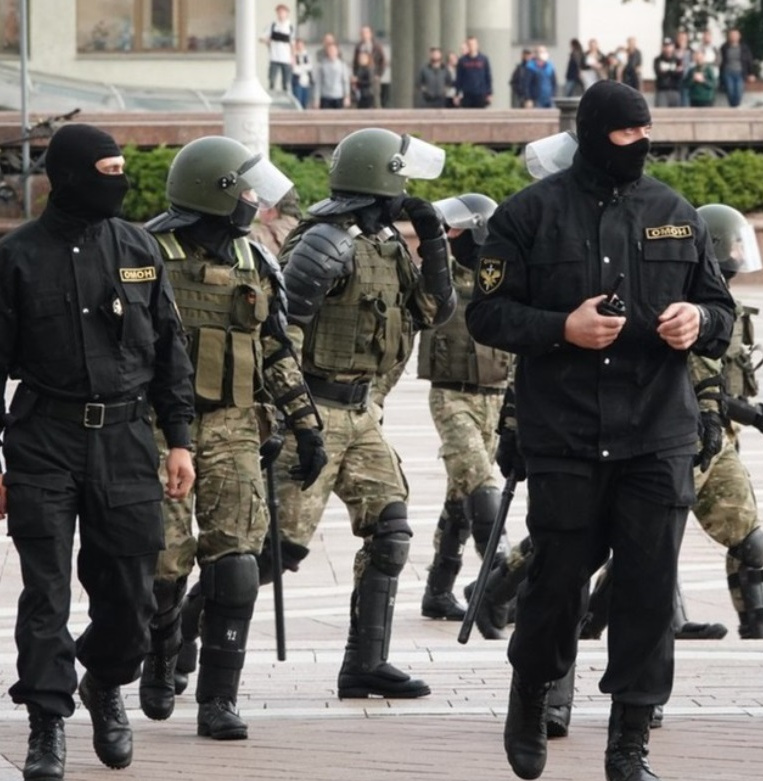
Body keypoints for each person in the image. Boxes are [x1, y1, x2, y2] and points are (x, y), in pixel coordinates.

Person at [465, 80, 735, 781]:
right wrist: (563, 328)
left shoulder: (675, 213)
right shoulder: (528, 215)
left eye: (647, 135)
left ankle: (629, 746)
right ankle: (532, 686)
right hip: (567, 433)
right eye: (625, 136)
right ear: (592, 137)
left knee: (647, 592)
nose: (639, 147)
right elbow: (486, 314)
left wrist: (697, 322)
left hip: (657, 432)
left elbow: (722, 310)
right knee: (557, 581)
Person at [0, 124, 195, 781]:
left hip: (125, 440)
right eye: (107, 170)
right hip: (44, 439)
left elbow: (169, 351)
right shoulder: (16, 256)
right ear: (70, 176)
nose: (121, 181)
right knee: (46, 592)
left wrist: (180, 440)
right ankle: (46, 722)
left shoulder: (139, 247)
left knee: (133, 591)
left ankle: (106, 679)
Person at [138, 137, 327, 739]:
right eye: (245, 190)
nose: (253, 200)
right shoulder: (146, 255)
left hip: (234, 425)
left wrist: (304, 423)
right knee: (164, 561)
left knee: (237, 562)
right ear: (215, 193)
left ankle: (219, 699)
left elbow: (275, 348)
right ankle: (161, 653)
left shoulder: (256, 260)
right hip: (157, 428)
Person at [270, 128, 456, 700]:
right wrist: (298, 422)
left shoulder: (385, 243)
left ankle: (365, 664)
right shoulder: (323, 243)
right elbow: (280, 338)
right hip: (315, 408)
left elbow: (434, 310)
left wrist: (432, 239)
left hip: (361, 410)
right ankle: (179, 641)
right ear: (381, 181)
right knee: (271, 552)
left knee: (390, 530)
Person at [415, 192, 512, 620]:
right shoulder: (438, 279)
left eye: (455, 229)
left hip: (496, 399)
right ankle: (501, 584)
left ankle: (438, 589)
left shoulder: (504, 278)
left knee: (461, 495)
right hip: (451, 396)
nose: (448, 236)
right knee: (482, 486)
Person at [690, 203, 763, 637]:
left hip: (721, 437)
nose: (743, 253)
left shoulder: (729, 303)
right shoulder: (687, 303)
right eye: (736, 244)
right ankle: (501, 592)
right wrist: (755, 414)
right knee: (643, 541)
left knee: (748, 538)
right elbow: (695, 379)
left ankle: (758, 634)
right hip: (685, 433)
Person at [260, 4, 294, 93]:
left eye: (283, 12)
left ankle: (285, 95)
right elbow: (262, 37)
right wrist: (267, 41)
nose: (281, 14)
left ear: (286, 14)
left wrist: (293, 57)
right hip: (274, 57)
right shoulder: (273, 25)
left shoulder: (290, 27)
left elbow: (292, 43)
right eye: (279, 12)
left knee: (285, 82)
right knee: (272, 80)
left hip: (286, 58)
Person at [718, 28, 754, 107]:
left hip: (740, 73)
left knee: (739, 92)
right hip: (728, 73)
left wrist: (751, 73)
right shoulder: (724, 47)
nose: (733, 36)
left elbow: (749, 60)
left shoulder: (744, 48)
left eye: (735, 35)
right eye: (732, 35)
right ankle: (734, 107)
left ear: (739, 36)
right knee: (730, 91)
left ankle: (734, 107)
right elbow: (720, 60)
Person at [353, 25, 386, 108]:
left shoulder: (376, 46)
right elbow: (355, 62)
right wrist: (356, 75)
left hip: (373, 77)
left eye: (366, 32)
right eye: (362, 33)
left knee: (375, 100)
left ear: (370, 34)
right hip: (361, 78)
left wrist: (378, 74)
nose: (364, 35)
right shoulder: (358, 47)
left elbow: (382, 61)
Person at [456, 36, 492, 108]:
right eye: (469, 44)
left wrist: (489, 93)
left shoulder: (484, 59)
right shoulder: (462, 60)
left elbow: (488, 76)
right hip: (467, 94)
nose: (471, 46)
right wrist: (457, 94)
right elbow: (459, 78)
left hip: (480, 93)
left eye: (473, 44)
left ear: (477, 45)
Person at [314, 42, 351, 109]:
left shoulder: (342, 65)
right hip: (325, 96)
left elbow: (345, 81)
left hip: (339, 96)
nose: (332, 52)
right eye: (330, 50)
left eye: (333, 50)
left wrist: (347, 96)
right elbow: (318, 83)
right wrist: (317, 99)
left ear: (337, 51)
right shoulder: (322, 65)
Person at [653, 39, 684, 107]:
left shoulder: (677, 60)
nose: (668, 48)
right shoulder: (658, 60)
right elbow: (659, 73)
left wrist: (667, 71)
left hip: (675, 90)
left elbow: (680, 74)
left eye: (669, 46)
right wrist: (674, 71)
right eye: (665, 46)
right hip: (662, 91)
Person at [292, 38, 313, 108]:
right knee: (298, 103)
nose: (300, 47)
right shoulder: (294, 56)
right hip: (297, 82)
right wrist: (303, 67)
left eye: (301, 45)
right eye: (298, 45)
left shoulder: (307, 55)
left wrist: (300, 67)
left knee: (305, 103)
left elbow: (310, 67)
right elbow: (295, 69)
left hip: (306, 82)